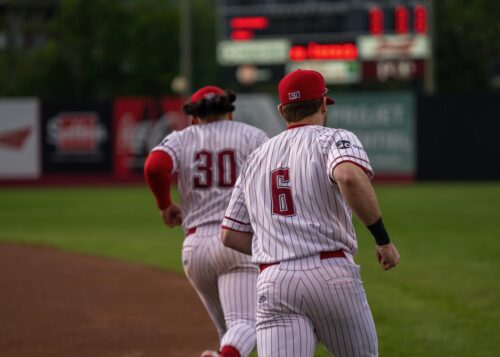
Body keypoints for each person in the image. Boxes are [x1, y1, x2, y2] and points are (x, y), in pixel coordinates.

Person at [221, 69, 401, 357]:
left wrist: (277, 249)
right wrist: (383, 240)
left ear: (282, 111)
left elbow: (230, 235)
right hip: (330, 271)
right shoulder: (334, 138)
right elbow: (349, 176)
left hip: (274, 280)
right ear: (322, 104)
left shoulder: (256, 156)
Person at [144, 86, 268, 357]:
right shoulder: (251, 135)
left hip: (195, 248)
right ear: (230, 113)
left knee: (230, 335)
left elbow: (154, 166)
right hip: (238, 242)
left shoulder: (182, 138)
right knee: (248, 325)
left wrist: (165, 205)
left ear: (194, 117)